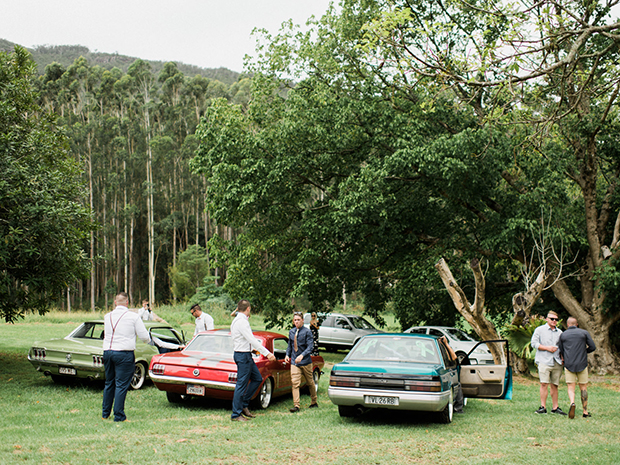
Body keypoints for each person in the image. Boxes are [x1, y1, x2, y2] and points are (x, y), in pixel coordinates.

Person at [101, 292, 152, 422]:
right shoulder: (133, 317)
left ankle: (105, 413)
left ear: (115, 302)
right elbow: (144, 336)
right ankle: (119, 415)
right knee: (121, 384)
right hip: (123, 353)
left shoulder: (107, 316)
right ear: (127, 302)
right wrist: (148, 340)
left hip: (107, 351)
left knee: (109, 382)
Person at [230, 299, 276, 421]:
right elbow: (252, 340)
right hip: (242, 356)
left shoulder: (239, 320)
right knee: (241, 384)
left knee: (257, 379)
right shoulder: (241, 322)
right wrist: (267, 353)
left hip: (245, 355)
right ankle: (236, 414)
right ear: (248, 309)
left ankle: (244, 404)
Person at [558, 317, 596, 419]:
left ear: (567, 324)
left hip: (569, 364)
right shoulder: (584, 333)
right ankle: (585, 411)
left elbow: (561, 350)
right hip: (582, 363)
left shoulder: (563, 335)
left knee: (571, 387)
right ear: (577, 324)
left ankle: (572, 403)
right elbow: (593, 346)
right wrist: (584, 352)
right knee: (583, 387)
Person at [531, 311, 567, 415]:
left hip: (556, 361)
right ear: (547, 319)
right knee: (544, 383)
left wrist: (563, 358)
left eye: (556, 319)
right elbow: (534, 343)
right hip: (544, 360)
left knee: (555, 385)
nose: (554, 321)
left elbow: (562, 347)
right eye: (552, 319)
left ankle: (555, 408)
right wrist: (547, 348)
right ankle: (543, 407)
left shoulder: (560, 332)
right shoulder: (540, 330)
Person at [285, 312, 319, 412]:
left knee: (310, 382)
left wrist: (302, 355)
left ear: (302, 320)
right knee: (295, 383)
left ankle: (314, 401)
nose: (296, 322)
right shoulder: (291, 332)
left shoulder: (307, 332)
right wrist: (287, 355)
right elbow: (290, 346)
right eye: (295, 320)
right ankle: (296, 405)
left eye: (298, 320)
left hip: (306, 362)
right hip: (295, 362)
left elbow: (310, 347)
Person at [438, 336, 464, 413]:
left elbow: (454, 358)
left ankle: (458, 407)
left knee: (457, 385)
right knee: (457, 385)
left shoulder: (444, 348)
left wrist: (445, 344)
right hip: (448, 369)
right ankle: (458, 407)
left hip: (450, 369)